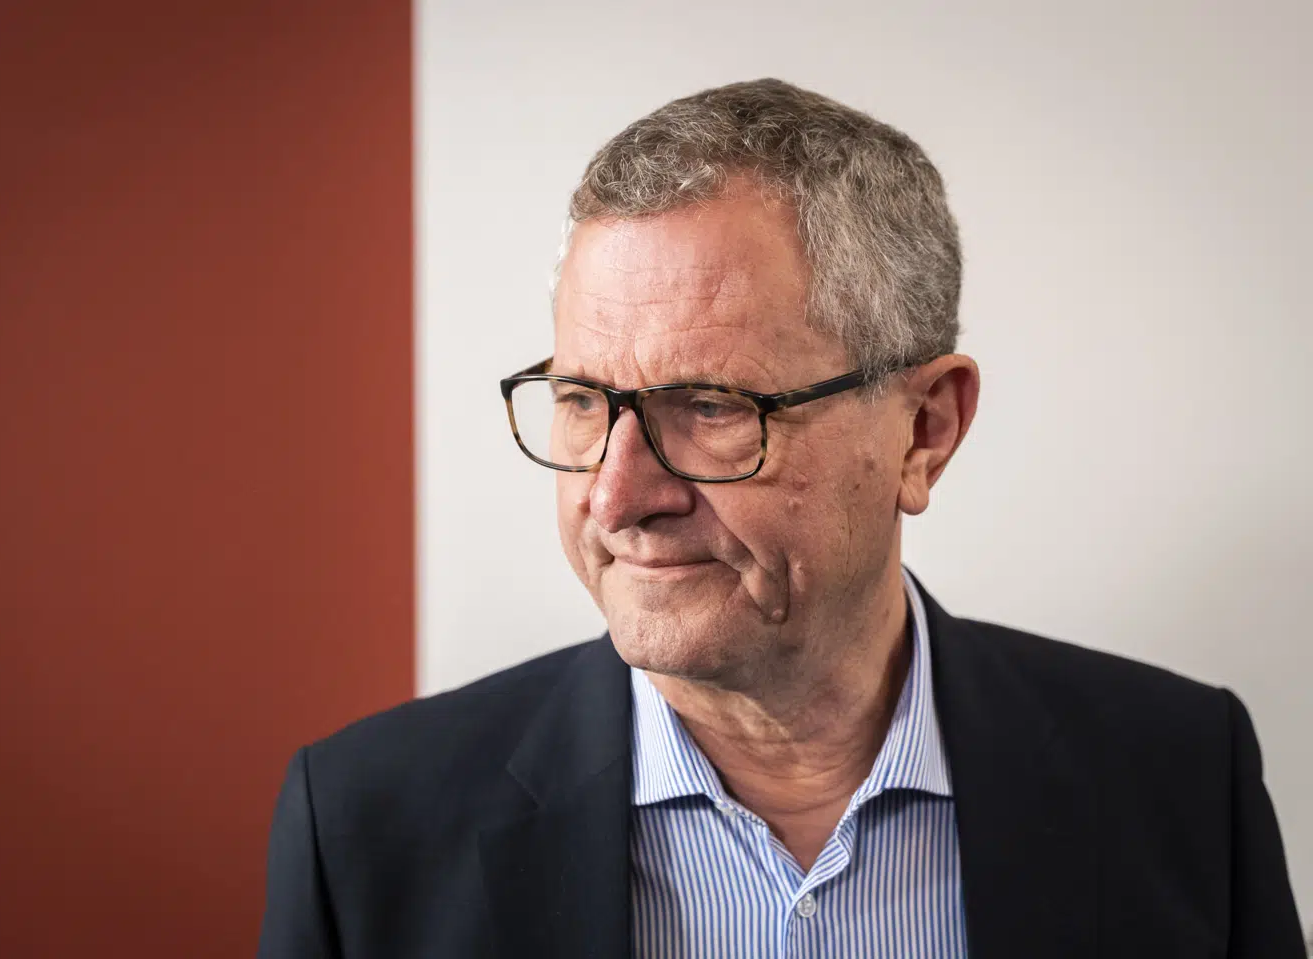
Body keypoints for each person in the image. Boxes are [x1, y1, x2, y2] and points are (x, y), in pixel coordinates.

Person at [257, 79, 1304, 958]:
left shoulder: (1176, 777)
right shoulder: (362, 827)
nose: (617, 498)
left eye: (713, 407)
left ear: (924, 429)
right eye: (583, 401)